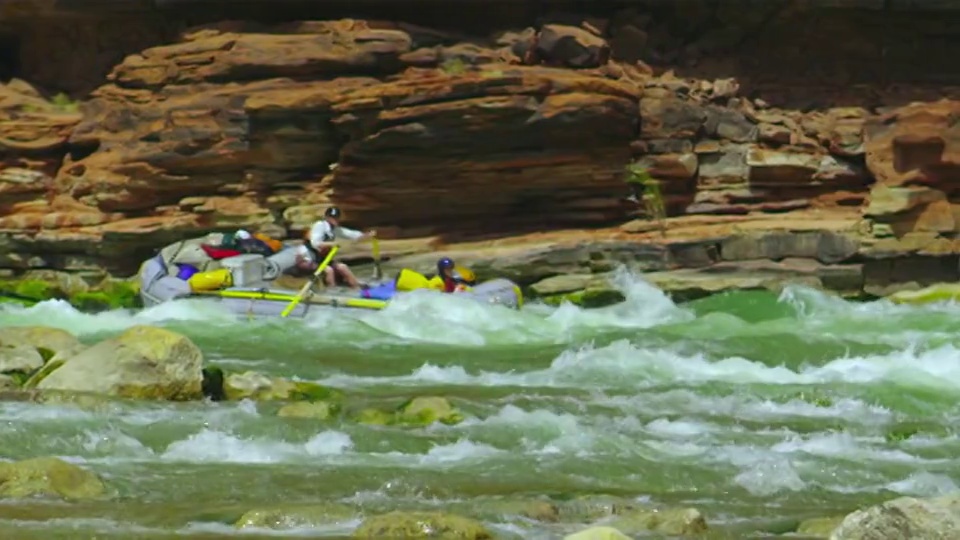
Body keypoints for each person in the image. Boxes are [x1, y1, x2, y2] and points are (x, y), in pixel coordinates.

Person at [298, 206, 376, 288]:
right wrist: (332, 244)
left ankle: (357, 289)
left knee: (343, 267)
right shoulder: (319, 225)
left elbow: (350, 234)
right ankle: (332, 292)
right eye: (332, 217)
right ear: (326, 217)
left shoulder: (334, 229)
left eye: (336, 218)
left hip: (321, 260)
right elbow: (315, 243)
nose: (334, 219)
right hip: (307, 259)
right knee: (329, 270)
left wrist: (366, 235)